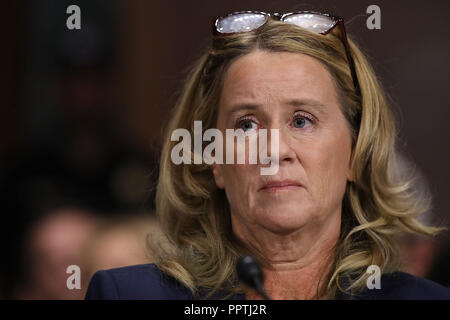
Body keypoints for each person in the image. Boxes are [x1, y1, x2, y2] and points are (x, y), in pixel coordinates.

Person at [85, 11, 450, 300]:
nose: (274, 151)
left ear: (356, 152)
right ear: (215, 160)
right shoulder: (128, 295)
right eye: (247, 125)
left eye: (302, 121)